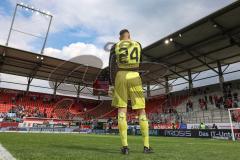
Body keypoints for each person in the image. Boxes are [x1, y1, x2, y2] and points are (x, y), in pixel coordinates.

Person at [109, 29, 153, 154]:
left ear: (119, 38)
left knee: (122, 109)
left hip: (121, 75)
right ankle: (146, 146)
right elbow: (141, 61)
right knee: (141, 110)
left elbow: (112, 65)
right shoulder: (137, 44)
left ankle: (125, 147)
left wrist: (111, 84)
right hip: (134, 75)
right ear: (130, 36)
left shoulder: (115, 46)